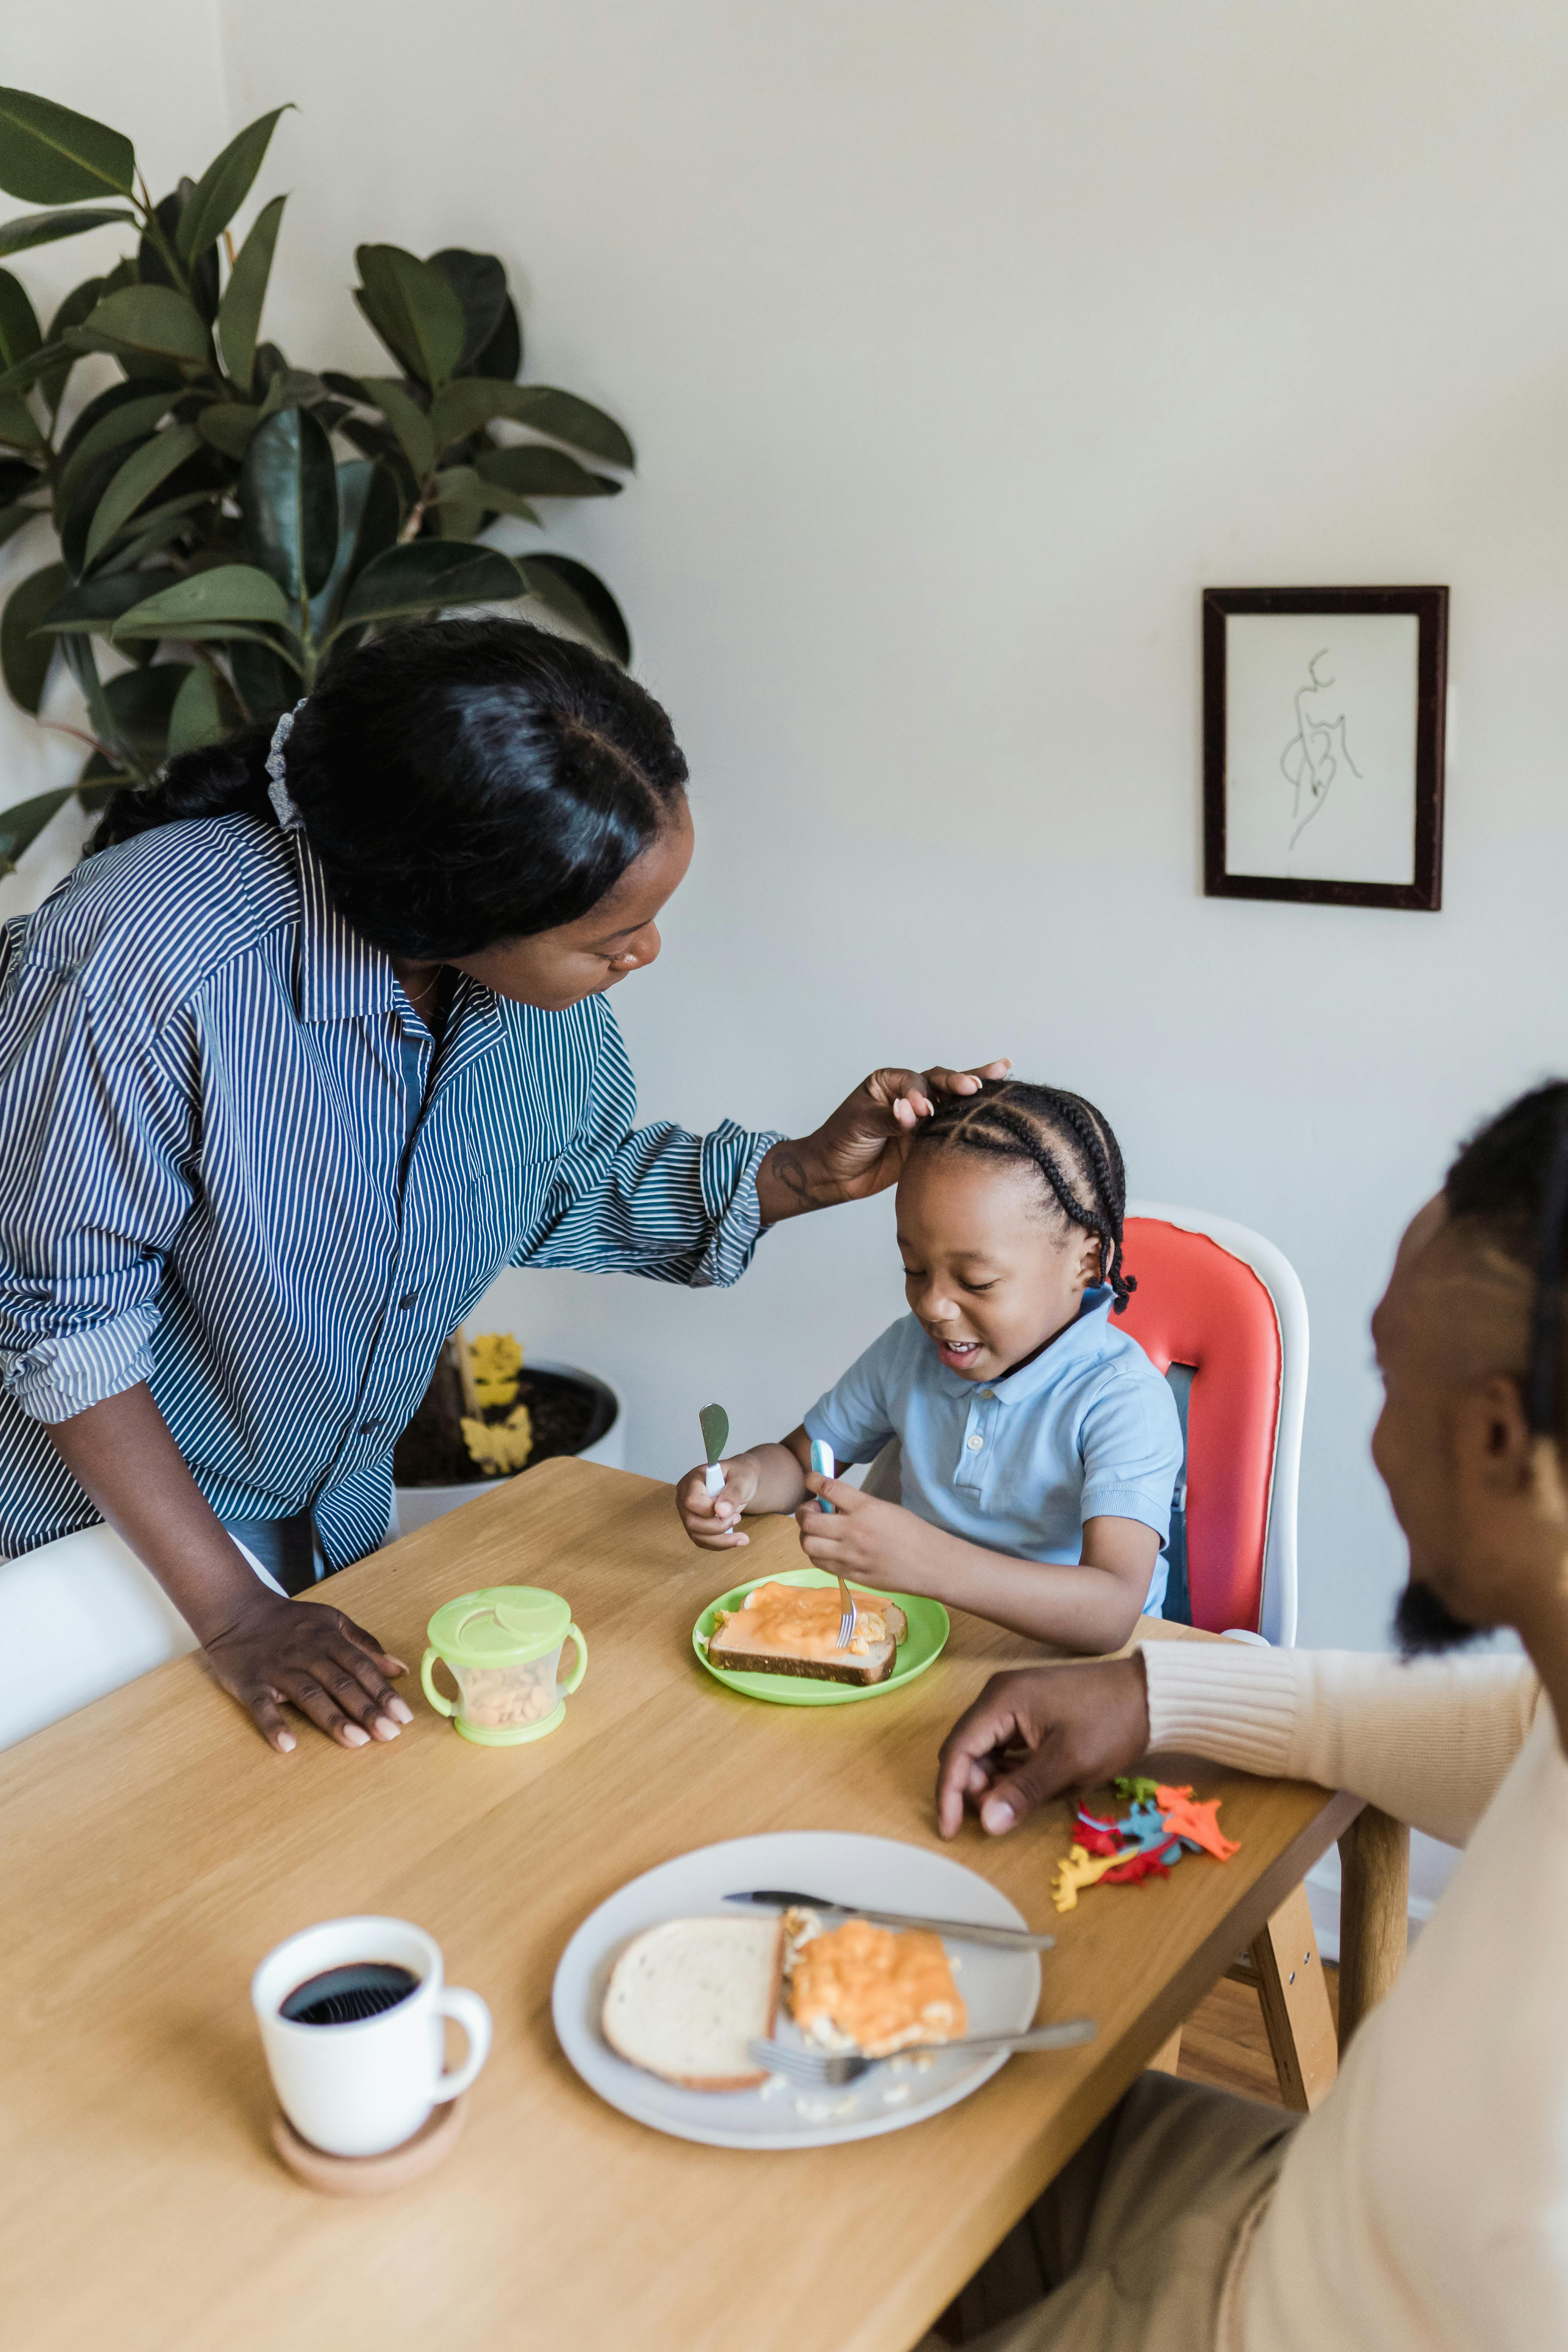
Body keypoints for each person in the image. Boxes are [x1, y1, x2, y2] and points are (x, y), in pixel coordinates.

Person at [0, 616, 1004, 1756]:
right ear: (440, 910)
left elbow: (547, 1179)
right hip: (91, 1562)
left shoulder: (514, 983)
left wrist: (795, 1175)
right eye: (613, 936)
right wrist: (233, 1609)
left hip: (321, 1537)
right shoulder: (141, 960)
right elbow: (66, 1323)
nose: (647, 955)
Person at [927, 1078, 1568, 2351]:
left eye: (1390, 1380)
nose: (1374, 1447)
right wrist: (1151, 1691)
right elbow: (1492, 1733)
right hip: (1293, 2207)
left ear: (1500, 1441)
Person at [675, 1081, 1183, 1650]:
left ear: (1087, 1262)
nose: (932, 1306)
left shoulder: (1121, 1400)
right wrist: (741, 1482)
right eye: (914, 1270)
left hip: (1062, 1674)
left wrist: (926, 1564)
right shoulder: (907, 1351)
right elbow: (802, 1463)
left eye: (977, 1281)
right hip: (923, 1643)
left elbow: (1111, 1610)